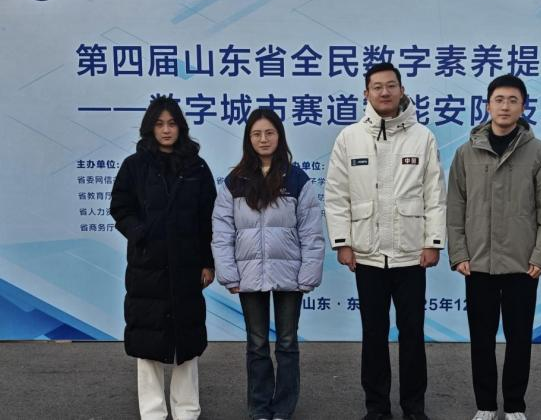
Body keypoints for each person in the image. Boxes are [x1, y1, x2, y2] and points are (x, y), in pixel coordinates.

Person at [324, 62, 446, 420]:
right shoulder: (349, 138)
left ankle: (414, 408)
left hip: (411, 255)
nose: (384, 92)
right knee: (373, 335)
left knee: (413, 335)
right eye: (377, 86)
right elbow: (337, 195)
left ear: (402, 90)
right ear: (366, 93)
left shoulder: (422, 137)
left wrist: (433, 241)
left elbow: (435, 194)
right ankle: (376, 408)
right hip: (368, 255)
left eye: (391, 85)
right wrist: (343, 242)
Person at [446, 74, 541, 420]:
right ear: (488, 105)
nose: (505, 106)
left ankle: (514, 405)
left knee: (519, 338)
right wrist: (459, 253)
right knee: (481, 338)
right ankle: (485, 404)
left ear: (523, 107)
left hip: (522, 264)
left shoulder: (539, 153)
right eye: (499, 99)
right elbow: (455, 207)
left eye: (513, 100)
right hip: (478, 262)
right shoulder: (466, 153)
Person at [212, 108, 324, 420]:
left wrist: (308, 274)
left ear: (279, 136)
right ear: (248, 139)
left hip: (290, 274)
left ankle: (283, 408)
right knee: (257, 343)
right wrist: (228, 273)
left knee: (287, 343)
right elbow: (222, 230)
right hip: (248, 274)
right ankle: (260, 407)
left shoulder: (297, 179)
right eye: (257, 134)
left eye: (269, 133)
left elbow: (311, 231)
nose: (263, 139)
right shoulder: (235, 182)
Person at [111, 96, 216, 420]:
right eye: (159, 124)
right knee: (148, 340)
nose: (166, 130)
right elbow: (120, 207)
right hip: (148, 266)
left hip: (187, 265)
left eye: (171, 123)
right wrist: (139, 233)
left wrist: (207, 261)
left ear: (180, 127)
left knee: (187, 341)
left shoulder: (196, 166)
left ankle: (187, 410)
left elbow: (208, 217)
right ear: (150, 128)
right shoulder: (134, 165)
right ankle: (153, 412)